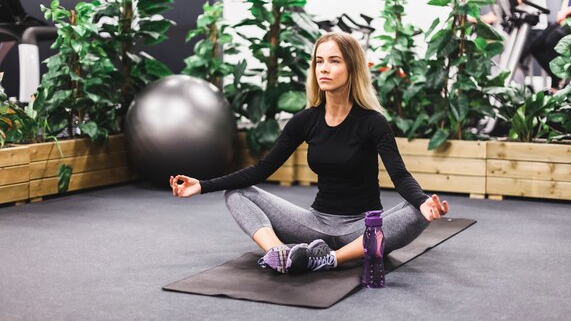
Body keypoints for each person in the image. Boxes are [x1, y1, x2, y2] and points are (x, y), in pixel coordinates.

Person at [169, 31, 449, 275]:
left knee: (417, 211)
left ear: (352, 68)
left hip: (362, 228)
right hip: (314, 224)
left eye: (334, 61)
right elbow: (262, 170)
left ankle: (330, 260)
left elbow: (399, 175)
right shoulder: (306, 120)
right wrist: (203, 186)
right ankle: (280, 253)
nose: (323, 69)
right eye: (319, 61)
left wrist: (424, 202)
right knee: (238, 193)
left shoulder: (372, 122)